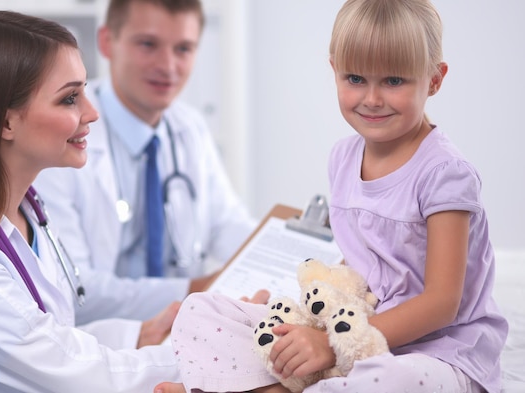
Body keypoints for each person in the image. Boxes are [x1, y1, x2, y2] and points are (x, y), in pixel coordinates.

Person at [154, 0, 509, 392]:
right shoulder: (343, 158)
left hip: (438, 351)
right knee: (201, 311)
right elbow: (368, 265)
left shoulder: (445, 174)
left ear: (435, 79)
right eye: (355, 78)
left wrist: (333, 343)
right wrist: (308, 330)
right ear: (334, 70)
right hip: (358, 326)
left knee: (394, 379)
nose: (372, 98)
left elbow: (443, 302)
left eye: (394, 81)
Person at [0, 10, 182, 392]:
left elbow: (52, 336)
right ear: (6, 123)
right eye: (69, 98)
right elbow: (73, 372)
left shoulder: (29, 213)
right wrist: (204, 355)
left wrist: (141, 334)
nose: (92, 113)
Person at [33, 0, 256, 325]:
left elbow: (226, 225)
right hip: (99, 343)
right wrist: (198, 289)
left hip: (184, 332)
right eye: (148, 44)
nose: (167, 66)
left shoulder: (190, 127)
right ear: (107, 41)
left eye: (183, 48)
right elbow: (74, 288)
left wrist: (288, 254)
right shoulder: (62, 135)